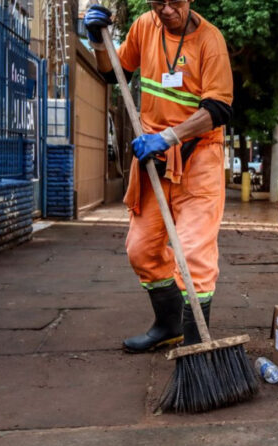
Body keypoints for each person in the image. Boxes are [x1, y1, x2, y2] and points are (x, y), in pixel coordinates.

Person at [83, 0, 233, 352]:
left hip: (198, 159)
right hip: (154, 162)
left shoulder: (211, 41)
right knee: (141, 251)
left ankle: (196, 349)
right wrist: (97, 41)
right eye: (157, 1)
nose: (165, 9)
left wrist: (167, 137)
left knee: (194, 254)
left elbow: (219, 108)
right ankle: (169, 326)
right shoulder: (143, 27)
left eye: (174, 1)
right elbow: (112, 73)